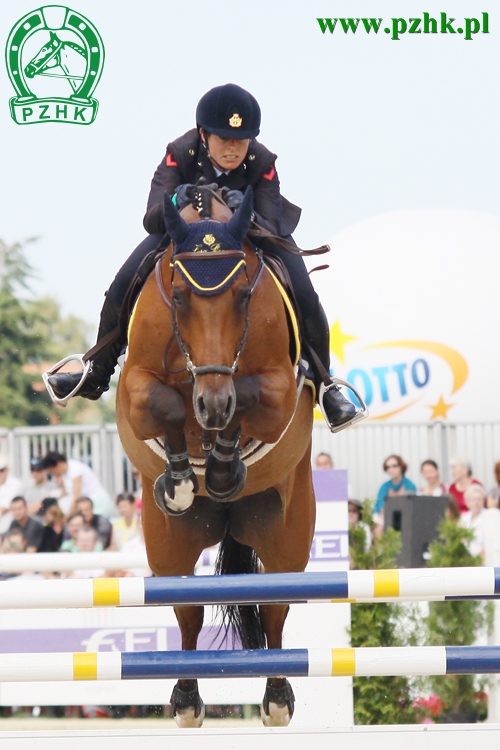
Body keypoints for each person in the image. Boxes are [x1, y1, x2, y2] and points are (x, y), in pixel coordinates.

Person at [47, 83, 361, 433]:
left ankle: (327, 385)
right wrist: (179, 198)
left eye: (240, 141)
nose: (232, 149)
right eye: (223, 139)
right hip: (180, 235)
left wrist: (243, 209)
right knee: (123, 281)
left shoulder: (263, 162)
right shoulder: (180, 152)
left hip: (249, 237)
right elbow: (151, 216)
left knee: (304, 291)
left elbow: (272, 224)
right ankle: (97, 371)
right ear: (203, 134)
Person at [40, 452, 113, 518]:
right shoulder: (64, 473)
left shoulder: (75, 470)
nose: (53, 474)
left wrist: (68, 517)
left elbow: (76, 498)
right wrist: (53, 500)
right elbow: (65, 491)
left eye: (52, 471)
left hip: (98, 503)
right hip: (87, 504)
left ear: (59, 464)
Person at [460, 485, 487, 560]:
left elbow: (490, 544)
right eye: (473, 500)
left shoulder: (489, 517)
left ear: (483, 501)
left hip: (483, 562)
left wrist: (476, 560)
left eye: (479, 499)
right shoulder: (463, 518)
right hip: (464, 561)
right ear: (467, 502)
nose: (476, 502)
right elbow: (460, 540)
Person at [0, 455, 24, 535]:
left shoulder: (14, 484)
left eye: (1, 470)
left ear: (7, 470)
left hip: (10, 530)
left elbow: (3, 509)